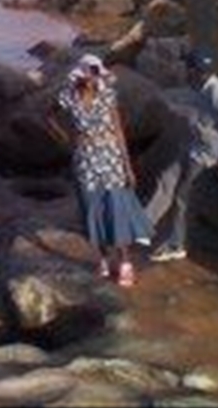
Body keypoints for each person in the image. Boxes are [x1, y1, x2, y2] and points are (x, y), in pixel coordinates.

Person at [56, 53, 152, 287]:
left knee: (116, 209)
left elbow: (118, 130)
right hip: (85, 161)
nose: (94, 77)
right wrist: (67, 140)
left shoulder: (107, 95)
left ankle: (125, 262)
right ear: (81, 73)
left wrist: (127, 166)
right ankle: (102, 259)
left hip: (110, 158)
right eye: (91, 72)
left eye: (97, 72)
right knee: (92, 210)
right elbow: (51, 115)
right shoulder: (68, 96)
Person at [145, 47, 218, 263]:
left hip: (205, 156)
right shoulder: (198, 85)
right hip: (191, 146)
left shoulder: (217, 93)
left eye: (188, 66)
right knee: (165, 178)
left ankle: (176, 245)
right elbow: (184, 100)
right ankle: (141, 227)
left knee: (183, 197)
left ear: (196, 71)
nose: (184, 69)